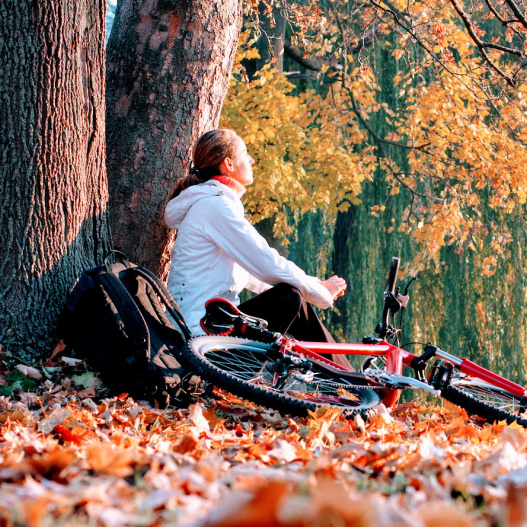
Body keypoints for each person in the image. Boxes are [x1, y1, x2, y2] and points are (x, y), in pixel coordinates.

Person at [165, 129, 349, 366]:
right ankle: (357, 383)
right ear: (229, 164)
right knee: (288, 298)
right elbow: (267, 262)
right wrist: (321, 292)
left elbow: (257, 277)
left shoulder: (213, 206)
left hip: (211, 329)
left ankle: (352, 381)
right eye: (245, 153)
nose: (251, 160)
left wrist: (314, 285)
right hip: (201, 337)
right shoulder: (215, 208)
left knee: (289, 293)